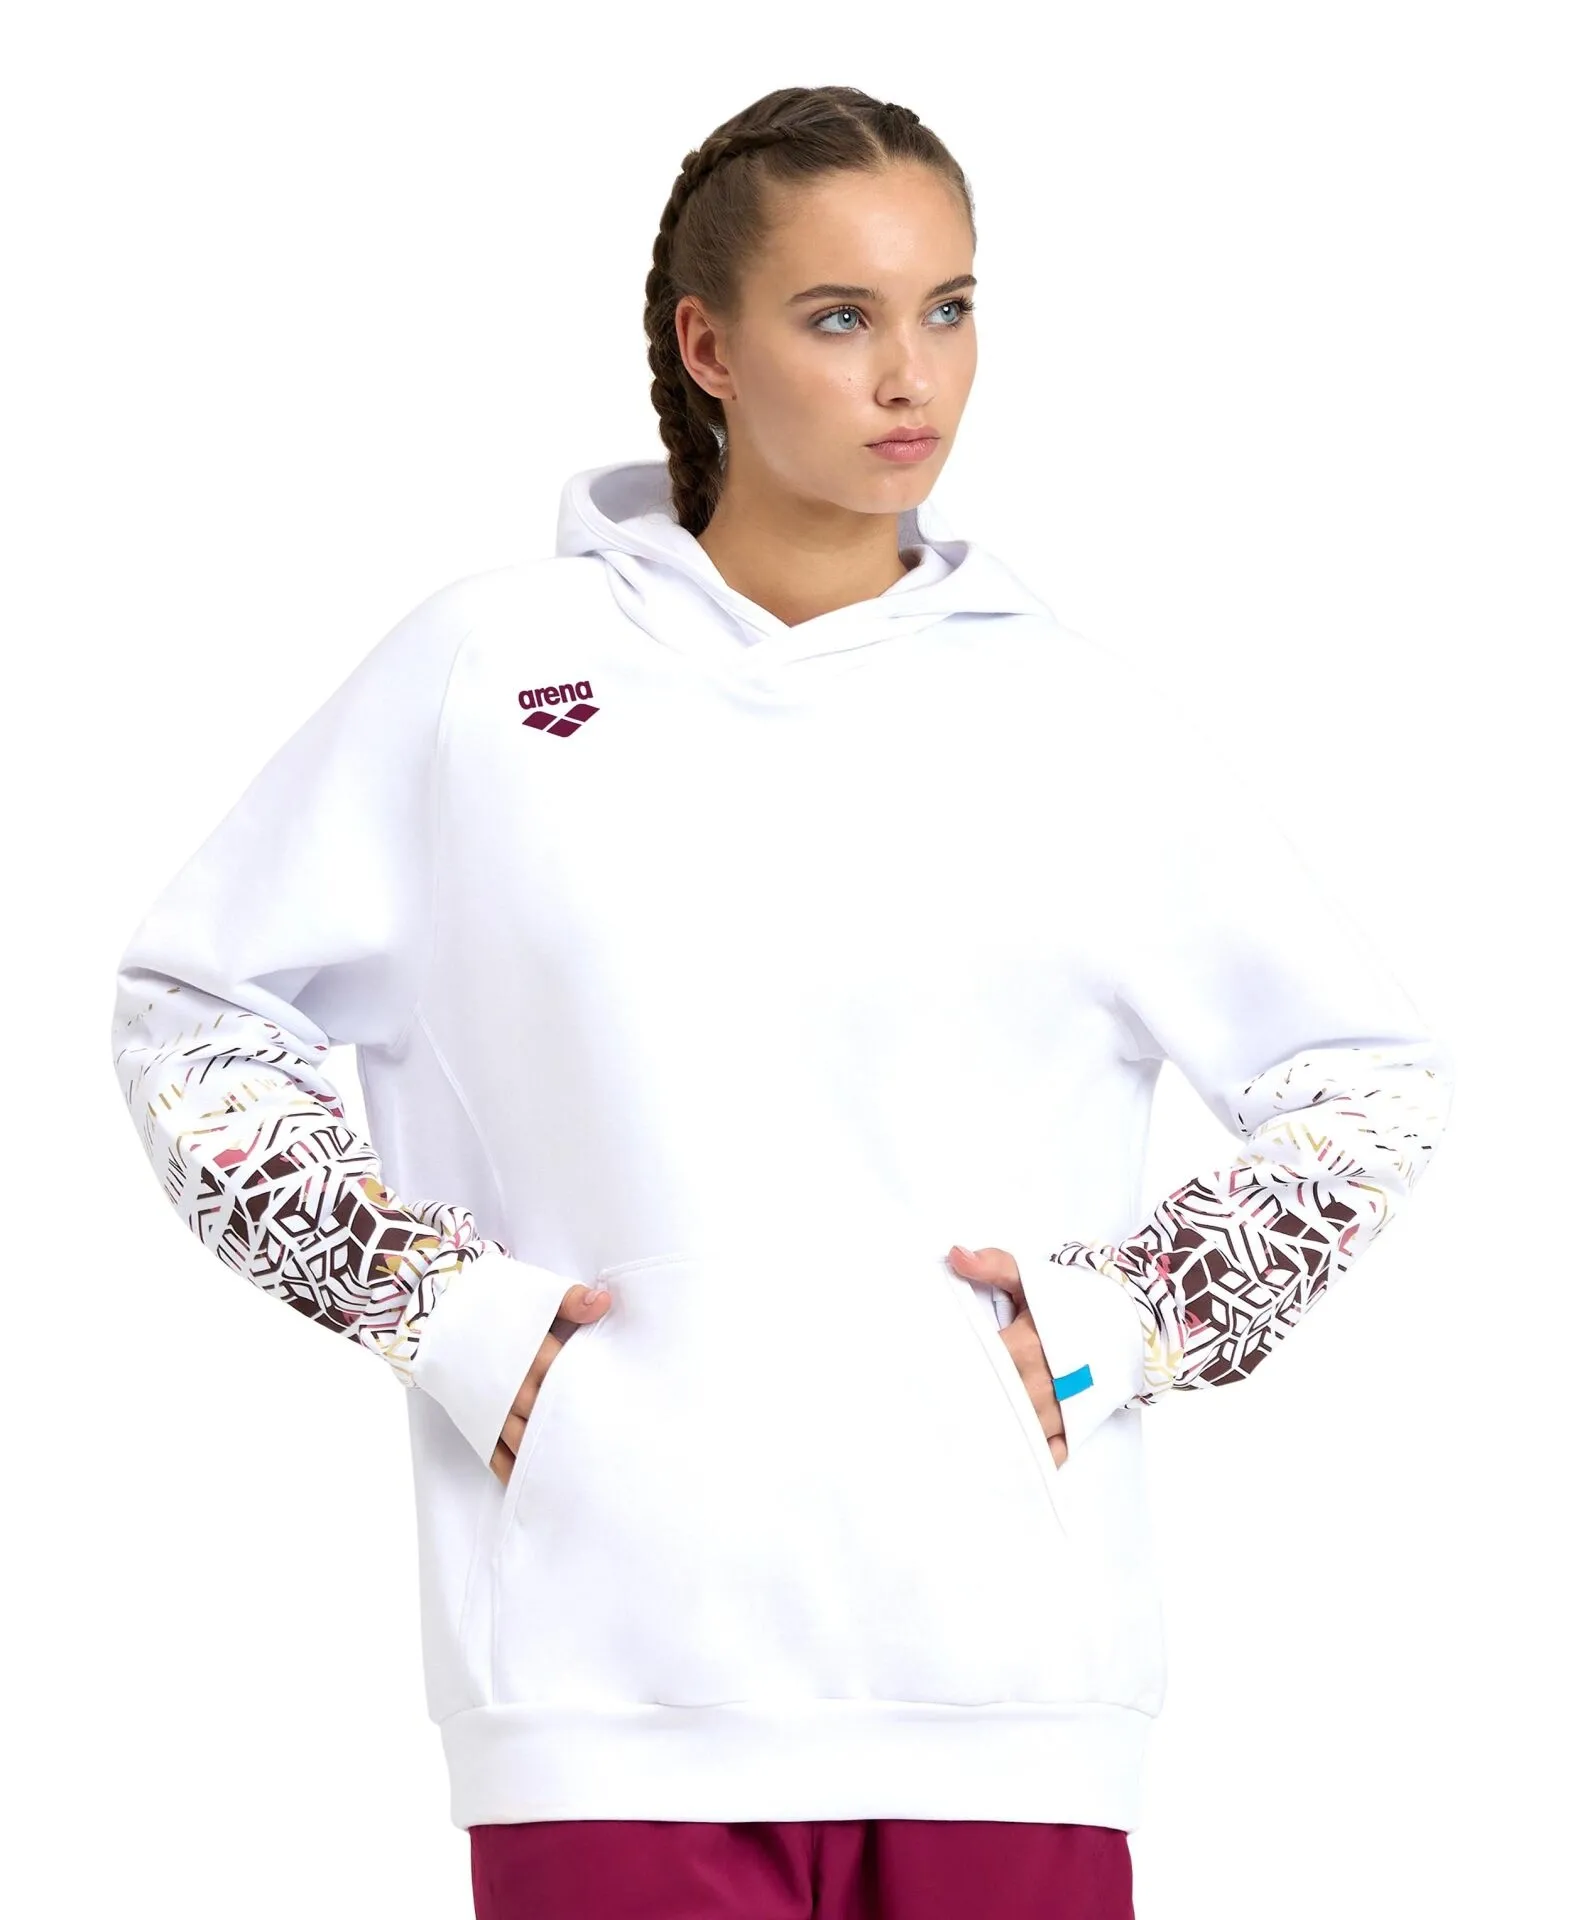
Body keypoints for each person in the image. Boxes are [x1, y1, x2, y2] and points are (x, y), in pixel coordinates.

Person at [108, 83, 1456, 1920]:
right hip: (595, 1677)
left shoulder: (1075, 719)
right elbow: (194, 1008)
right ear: (708, 348)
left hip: (1010, 1684)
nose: (912, 376)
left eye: (948, 309)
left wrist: (1133, 1319)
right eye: (840, 317)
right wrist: (436, 1308)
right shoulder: (488, 673)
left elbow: (1361, 1079)